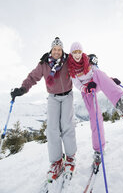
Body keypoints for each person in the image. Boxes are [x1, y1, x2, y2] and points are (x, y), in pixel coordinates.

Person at [11, 37, 77, 182]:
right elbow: (32, 77)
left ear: (62, 50)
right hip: (53, 96)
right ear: (51, 50)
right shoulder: (44, 63)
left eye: (59, 49)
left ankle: (70, 158)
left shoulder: (68, 60)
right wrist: (23, 88)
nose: (57, 52)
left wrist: (89, 60)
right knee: (52, 128)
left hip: (67, 95)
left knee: (67, 125)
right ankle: (56, 162)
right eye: (55, 49)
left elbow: (79, 62)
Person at [67, 42, 123, 167]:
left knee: (98, 73)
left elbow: (99, 74)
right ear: (71, 53)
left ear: (82, 52)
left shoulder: (88, 62)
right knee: (95, 118)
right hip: (86, 90)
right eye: (74, 52)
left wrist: (111, 80)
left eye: (79, 52)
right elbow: (77, 84)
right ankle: (98, 150)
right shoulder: (71, 69)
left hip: (95, 83)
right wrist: (85, 88)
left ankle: (122, 104)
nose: (77, 54)